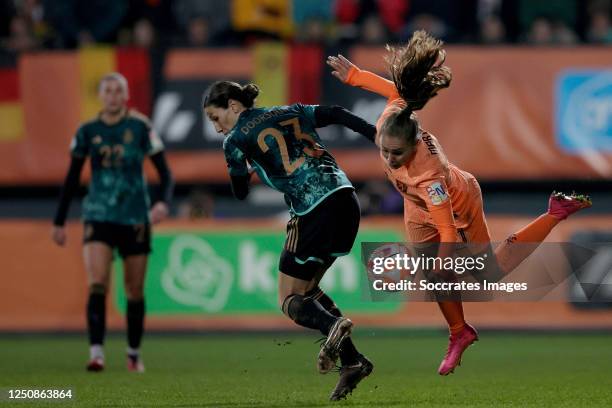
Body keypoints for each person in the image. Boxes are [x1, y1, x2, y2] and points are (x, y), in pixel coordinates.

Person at [327, 30, 591, 376]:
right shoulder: (392, 122)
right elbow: (396, 92)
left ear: (413, 146)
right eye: (384, 151)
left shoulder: (430, 177)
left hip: (457, 203)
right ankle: (460, 332)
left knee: (487, 275)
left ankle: (554, 213)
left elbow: (448, 233)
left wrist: (439, 267)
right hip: (415, 206)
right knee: (438, 277)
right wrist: (356, 77)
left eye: (397, 153)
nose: (389, 159)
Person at [203, 81, 375, 401]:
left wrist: (249, 167)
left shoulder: (235, 139)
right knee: (308, 289)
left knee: (288, 298)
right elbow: (337, 114)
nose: (216, 128)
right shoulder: (288, 110)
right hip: (347, 200)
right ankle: (352, 361)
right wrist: (376, 134)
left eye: (216, 117)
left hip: (312, 207)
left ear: (234, 106)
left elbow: (240, 193)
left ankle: (333, 327)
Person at [52, 72, 174, 373]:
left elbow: (165, 173)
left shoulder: (141, 127)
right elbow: (71, 178)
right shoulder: (87, 131)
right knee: (97, 283)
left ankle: (133, 353)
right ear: (101, 96)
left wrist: (162, 202)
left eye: (118, 90)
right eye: (107, 90)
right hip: (98, 214)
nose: (112, 96)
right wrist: (59, 220)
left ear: (126, 94)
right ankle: (97, 353)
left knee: (134, 291)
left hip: (135, 217)